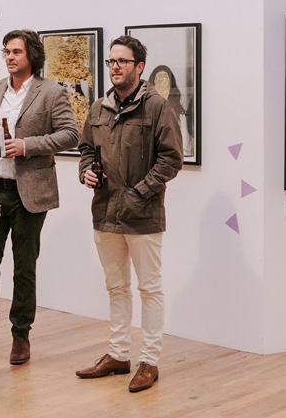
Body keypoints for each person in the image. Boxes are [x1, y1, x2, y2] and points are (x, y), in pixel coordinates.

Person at [0, 29, 78, 365]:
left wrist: (27, 146)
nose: (9, 57)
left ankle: (21, 336)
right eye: (7, 52)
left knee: (24, 268)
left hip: (30, 193)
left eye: (16, 52)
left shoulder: (51, 92)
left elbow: (71, 134)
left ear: (32, 56)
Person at [77, 36, 183, 393]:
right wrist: (86, 171)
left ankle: (149, 361)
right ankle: (118, 353)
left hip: (142, 215)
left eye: (122, 61)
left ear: (139, 67)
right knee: (116, 287)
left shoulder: (157, 107)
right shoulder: (98, 108)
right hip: (105, 212)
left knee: (149, 288)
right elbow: (86, 148)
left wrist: (138, 194)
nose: (115, 67)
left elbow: (171, 159)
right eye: (111, 61)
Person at [148, 65, 193, 156]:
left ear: (170, 84)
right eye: (158, 79)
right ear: (153, 83)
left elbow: (186, 146)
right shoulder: (146, 108)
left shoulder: (180, 113)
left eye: (165, 80)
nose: (162, 84)